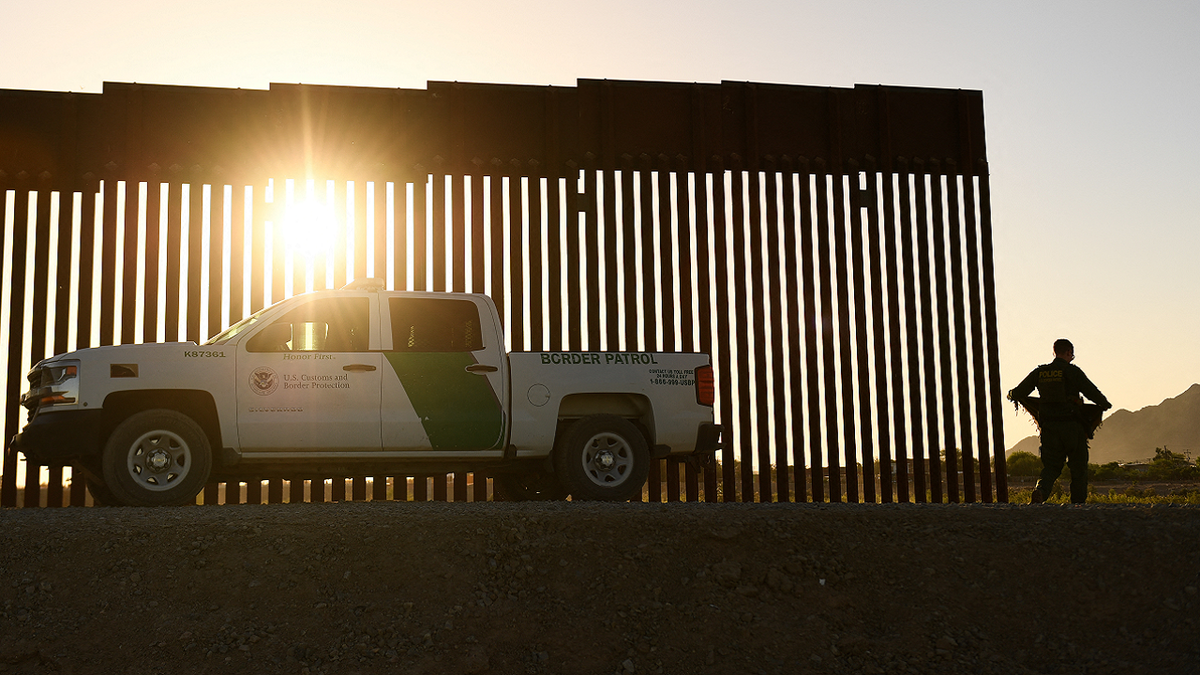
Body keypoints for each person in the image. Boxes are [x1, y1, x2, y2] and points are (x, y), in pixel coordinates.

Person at [1008, 338, 1111, 504]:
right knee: (1078, 467)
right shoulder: (1072, 372)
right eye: (1072, 354)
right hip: (1072, 427)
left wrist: (1011, 394)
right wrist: (1104, 404)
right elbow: (1091, 391)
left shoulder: (1040, 372)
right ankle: (1077, 504)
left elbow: (1018, 392)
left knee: (1051, 467)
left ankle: (1040, 491)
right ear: (1069, 352)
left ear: (1054, 352)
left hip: (1049, 428)